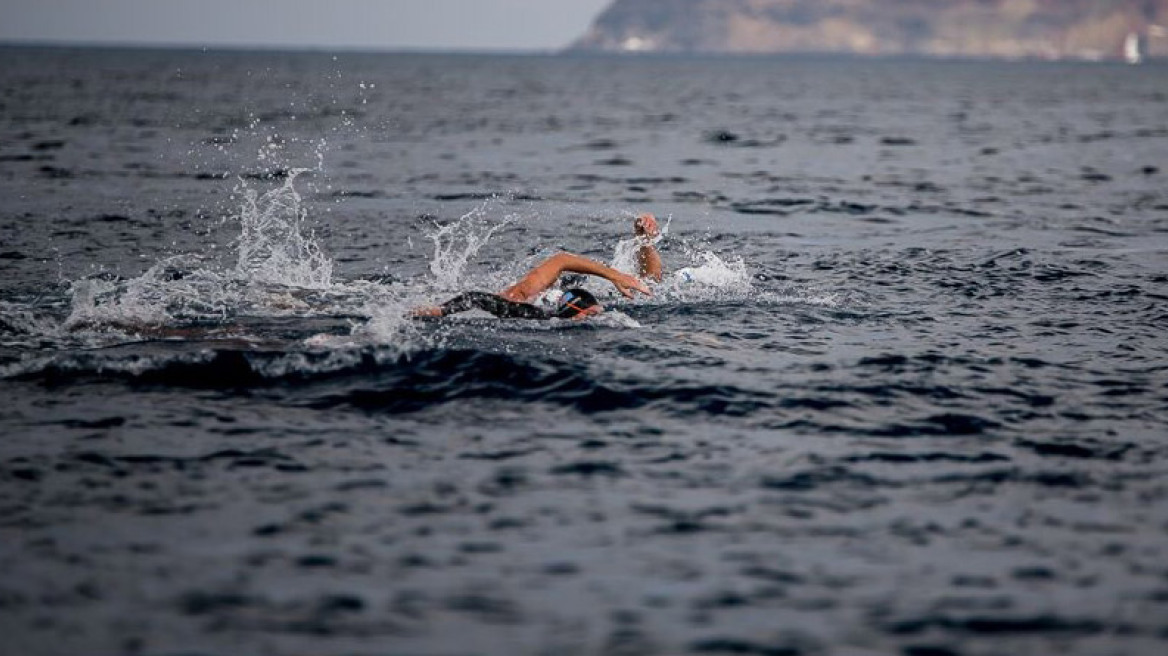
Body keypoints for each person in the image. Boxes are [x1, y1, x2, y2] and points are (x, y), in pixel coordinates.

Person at [412, 213, 664, 321]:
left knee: (648, 287)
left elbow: (562, 259)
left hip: (573, 288)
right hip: (544, 300)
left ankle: (643, 241)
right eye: (591, 314)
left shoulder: (541, 293)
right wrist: (439, 312)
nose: (597, 316)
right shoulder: (522, 306)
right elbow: (475, 298)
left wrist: (616, 277)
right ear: (576, 315)